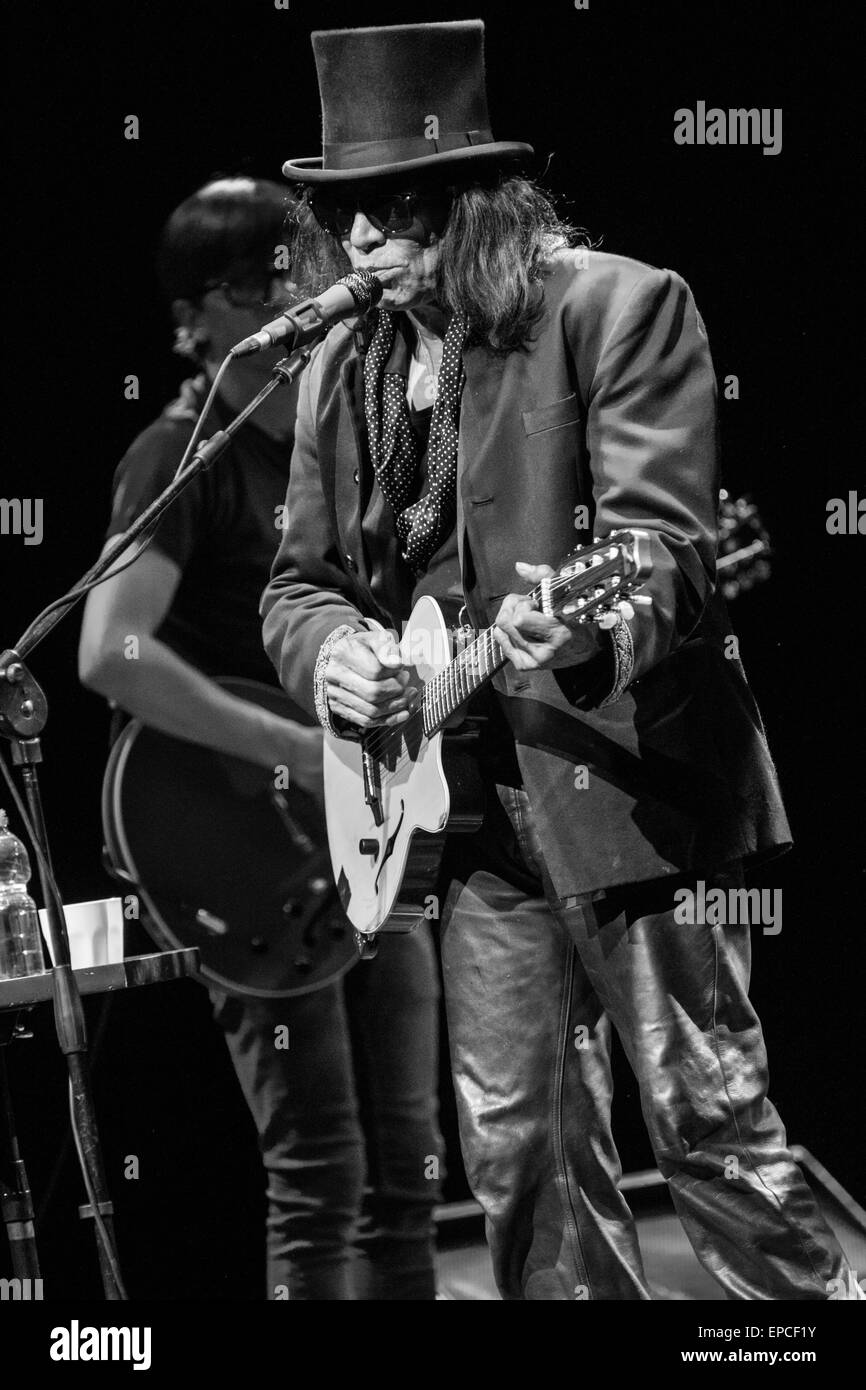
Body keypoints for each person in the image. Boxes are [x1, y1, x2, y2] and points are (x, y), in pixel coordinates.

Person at [261, 21, 862, 1301]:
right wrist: (331, 665)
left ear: (472, 199)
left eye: (392, 206)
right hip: (468, 817)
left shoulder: (614, 305)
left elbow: (665, 551)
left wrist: (590, 616)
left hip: (631, 791)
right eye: (340, 214)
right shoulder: (335, 373)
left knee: (705, 1125)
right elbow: (298, 586)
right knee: (516, 1151)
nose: (361, 240)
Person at [78, 176, 443, 1300]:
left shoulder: (356, 439)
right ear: (214, 308)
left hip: (371, 831)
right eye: (284, 275)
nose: (325, 285)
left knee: (411, 1178)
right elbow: (109, 652)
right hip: (248, 841)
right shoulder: (178, 453)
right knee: (321, 1173)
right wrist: (291, 748)